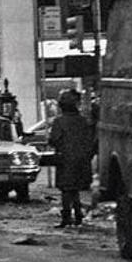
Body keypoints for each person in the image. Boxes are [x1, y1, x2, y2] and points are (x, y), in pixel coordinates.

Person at [48, 89, 97, 228]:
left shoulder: (59, 121)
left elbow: (54, 139)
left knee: (66, 189)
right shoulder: (83, 121)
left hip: (65, 159)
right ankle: (78, 215)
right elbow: (91, 140)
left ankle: (67, 217)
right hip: (82, 160)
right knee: (75, 189)